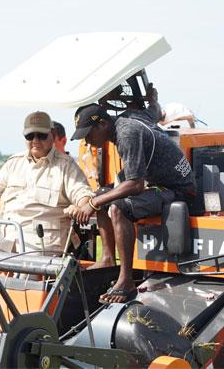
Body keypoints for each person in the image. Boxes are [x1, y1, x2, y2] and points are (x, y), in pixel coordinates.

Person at [68, 86, 197, 304]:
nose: (87, 142)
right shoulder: (131, 116)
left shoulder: (127, 134)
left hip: (178, 191)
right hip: (158, 182)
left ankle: (126, 280)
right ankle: (108, 258)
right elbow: (155, 111)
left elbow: (135, 185)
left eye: (88, 135)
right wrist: (152, 98)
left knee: (118, 207)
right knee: (101, 194)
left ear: (102, 124)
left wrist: (92, 202)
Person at [0, 111, 94, 255]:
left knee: (25, 280)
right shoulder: (14, 163)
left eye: (41, 135)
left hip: (41, 244)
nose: (35, 140)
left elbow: (83, 194)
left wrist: (80, 207)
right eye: (30, 136)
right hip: (6, 237)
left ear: (52, 135)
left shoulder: (66, 166)